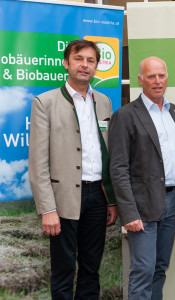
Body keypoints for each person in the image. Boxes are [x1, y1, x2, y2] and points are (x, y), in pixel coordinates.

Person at [28, 39, 118, 299]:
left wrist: (110, 200)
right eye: (79, 59)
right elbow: (37, 162)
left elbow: (107, 151)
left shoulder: (103, 102)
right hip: (63, 199)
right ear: (66, 63)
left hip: (97, 198)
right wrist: (48, 209)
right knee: (64, 270)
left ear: (97, 66)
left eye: (91, 60)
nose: (85, 65)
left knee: (91, 269)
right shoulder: (45, 102)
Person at [109, 56, 175, 300]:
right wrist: (129, 213)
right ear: (140, 80)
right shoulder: (125, 115)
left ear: (167, 77)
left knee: (159, 268)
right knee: (143, 269)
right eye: (151, 76)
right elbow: (118, 168)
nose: (157, 81)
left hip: (172, 200)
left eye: (161, 75)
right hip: (141, 206)